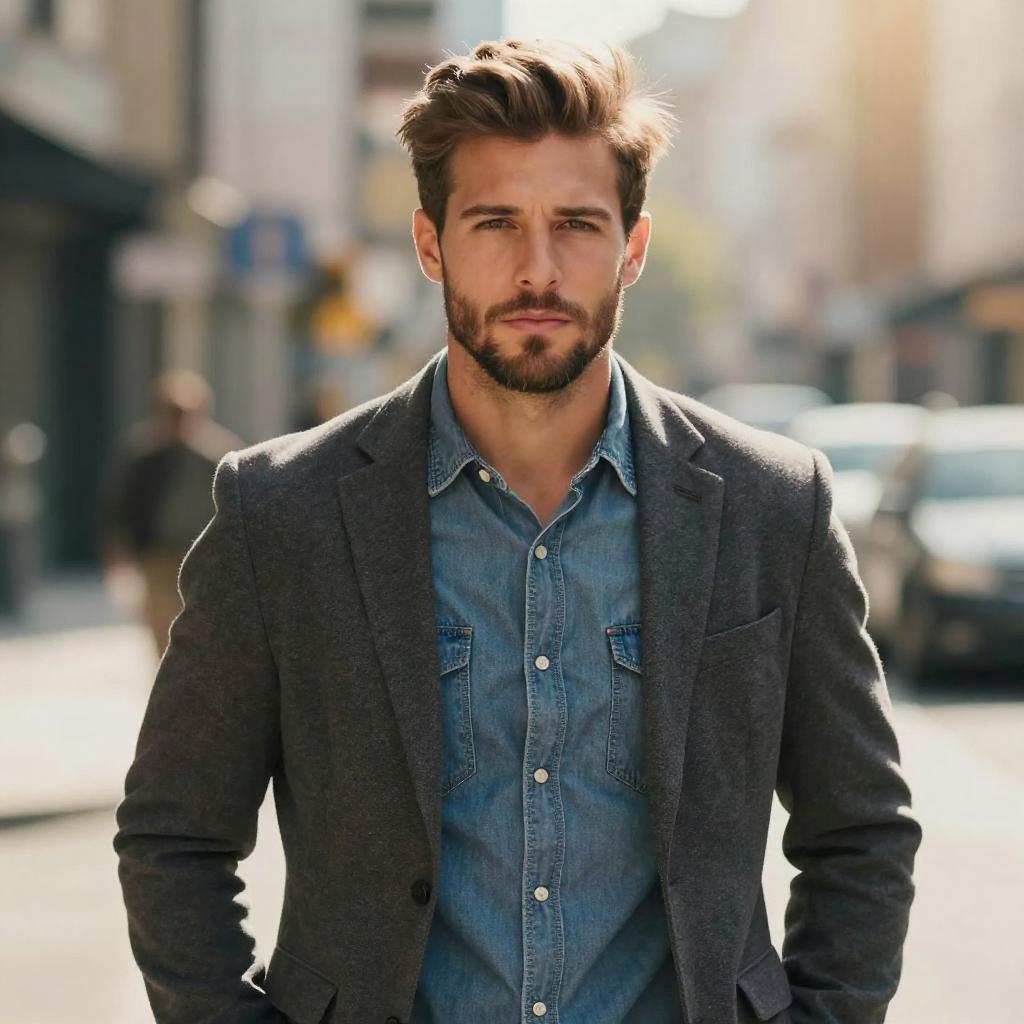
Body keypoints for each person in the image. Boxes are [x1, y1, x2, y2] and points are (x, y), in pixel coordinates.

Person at [114, 40, 921, 1024]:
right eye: (494, 223)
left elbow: (861, 829)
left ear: (632, 247)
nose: (537, 269)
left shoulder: (769, 504)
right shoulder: (282, 510)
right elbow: (175, 832)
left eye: (577, 225)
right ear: (429, 242)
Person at [101, 370, 240, 656]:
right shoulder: (143, 455)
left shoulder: (220, 456)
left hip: (204, 555)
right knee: (161, 628)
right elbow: (121, 505)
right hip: (158, 555)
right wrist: (119, 550)